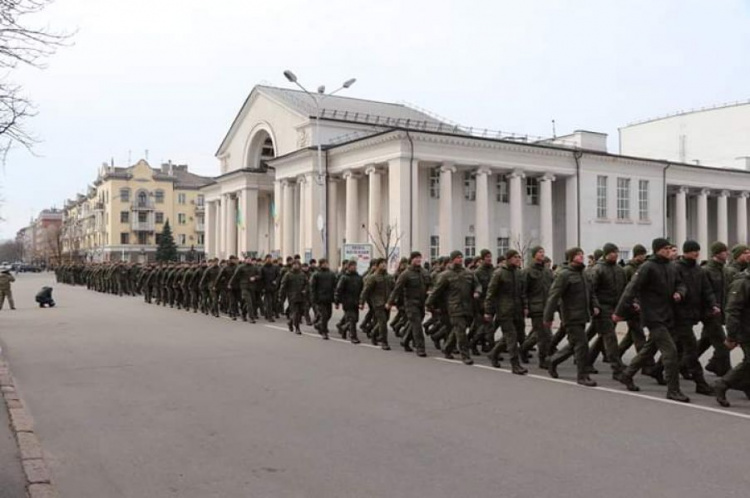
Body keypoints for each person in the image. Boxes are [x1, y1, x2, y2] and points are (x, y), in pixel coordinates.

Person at [614, 238, 690, 402]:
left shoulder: (671, 266)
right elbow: (631, 288)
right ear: (657, 250)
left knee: (649, 349)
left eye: (670, 248)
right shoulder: (648, 267)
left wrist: (680, 293)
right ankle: (673, 390)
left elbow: (681, 284)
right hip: (653, 315)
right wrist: (620, 312)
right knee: (671, 352)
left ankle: (627, 375)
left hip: (668, 314)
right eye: (665, 249)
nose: (669, 251)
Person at [544, 247, 599, 387]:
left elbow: (590, 292)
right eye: (578, 255)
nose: (581, 256)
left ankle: (553, 361)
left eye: (582, 254)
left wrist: (595, 306)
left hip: (583, 314)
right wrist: (548, 317)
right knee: (582, 345)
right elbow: (553, 296)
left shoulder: (584, 273)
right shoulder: (564, 275)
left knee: (574, 344)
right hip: (570, 315)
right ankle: (582, 376)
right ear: (571, 257)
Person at [426, 250, 481, 365]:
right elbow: (436, 291)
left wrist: (477, 292)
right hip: (454, 307)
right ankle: (465, 355)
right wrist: (429, 303)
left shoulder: (468, 273)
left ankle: (447, 348)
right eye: (457, 257)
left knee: (458, 330)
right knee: (461, 331)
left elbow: (477, 285)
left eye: (461, 257)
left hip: (467, 306)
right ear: (452, 260)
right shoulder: (445, 275)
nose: (460, 259)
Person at [484, 249, 527, 374]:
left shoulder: (519, 273)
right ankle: (515, 364)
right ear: (508, 259)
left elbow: (522, 292)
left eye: (519, 257)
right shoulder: (499, 273)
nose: (518, 259)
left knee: (515, 336)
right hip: (504, 311)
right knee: (511, 337)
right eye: (515, 257)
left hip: (517, 310)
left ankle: (493, 353)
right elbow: (490, 294)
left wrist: (525, 307)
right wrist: (488, 311)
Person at [388, 251, 431, 357]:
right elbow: (397, 289)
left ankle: (405, 340)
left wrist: (430, 292)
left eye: (419, 258)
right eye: (416, 258)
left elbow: (431, 285)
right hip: (411, 303)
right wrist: (390, 302)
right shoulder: (405, 274)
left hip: (421, 303)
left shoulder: (424, 272)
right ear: (411, 260)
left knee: (414, 324)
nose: (418, 260)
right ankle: (420, 348)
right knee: (417, 326)